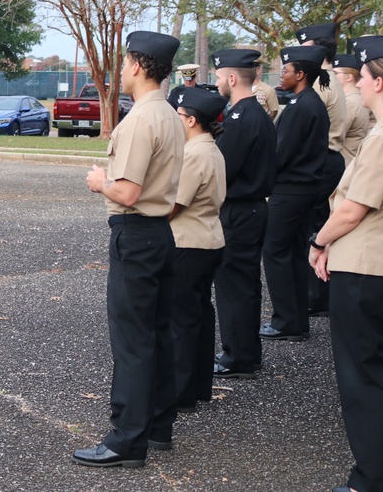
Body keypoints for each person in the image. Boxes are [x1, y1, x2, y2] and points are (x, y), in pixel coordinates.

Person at [310, 35, 383, 492]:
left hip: (366, 267)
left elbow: (354, 208)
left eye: (363, 77)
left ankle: (374, 477)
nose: (357, 85)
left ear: (377, 83)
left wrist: (318, 242)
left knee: (363, 378)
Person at [74, 30, 184, 468]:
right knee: (157, 334)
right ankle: (157, 426)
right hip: (160, 234)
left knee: (132, 340)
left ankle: (126, 439)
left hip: (136, 234)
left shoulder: (140, 119)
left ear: (138, 66)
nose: (121, 71)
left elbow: (129, 192)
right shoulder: (172, 116)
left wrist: (100, 181)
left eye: (124, 64)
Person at [211, 49, 277, 379]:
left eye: (220, 77)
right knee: (246, 285)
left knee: (234, 286)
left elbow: (221, 169)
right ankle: (247, 352)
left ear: (232, 78)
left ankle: (237, 355)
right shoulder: (257, 114)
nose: (218, 82)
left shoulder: (241, 118)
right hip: (252, 208)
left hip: (238, 210)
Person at [260, 45, 329, 342]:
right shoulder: (311, 102)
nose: (282, 75)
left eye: (286, 70)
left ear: (300, 74)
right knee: (295, 255)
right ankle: (298, 320)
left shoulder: (301, 107)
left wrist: (259, 180)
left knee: (275, 252)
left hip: (290, 190)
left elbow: (280, 154)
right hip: (307, 189)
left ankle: (286, 321)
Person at [166, 85, 227, 412]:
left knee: (182, 321)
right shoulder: (211, 149)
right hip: (208, 240)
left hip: (188, 243)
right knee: (199, 315)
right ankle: (198, 385)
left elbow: (174, 204)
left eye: (179, 115)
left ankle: (180, 392)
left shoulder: (194, 153)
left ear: (191, 120)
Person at [297, 23, 348, 318]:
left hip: (321, 160)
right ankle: (318, 295)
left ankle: (316, 296)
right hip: (329, 158)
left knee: (313, 228)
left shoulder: (319, 82)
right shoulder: (329, 79)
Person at [332, 53, 370, 163]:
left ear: (349, 77)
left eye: (336, 74)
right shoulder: (357, 98)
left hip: (344, 161)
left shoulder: (349, 102)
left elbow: (334, 134)